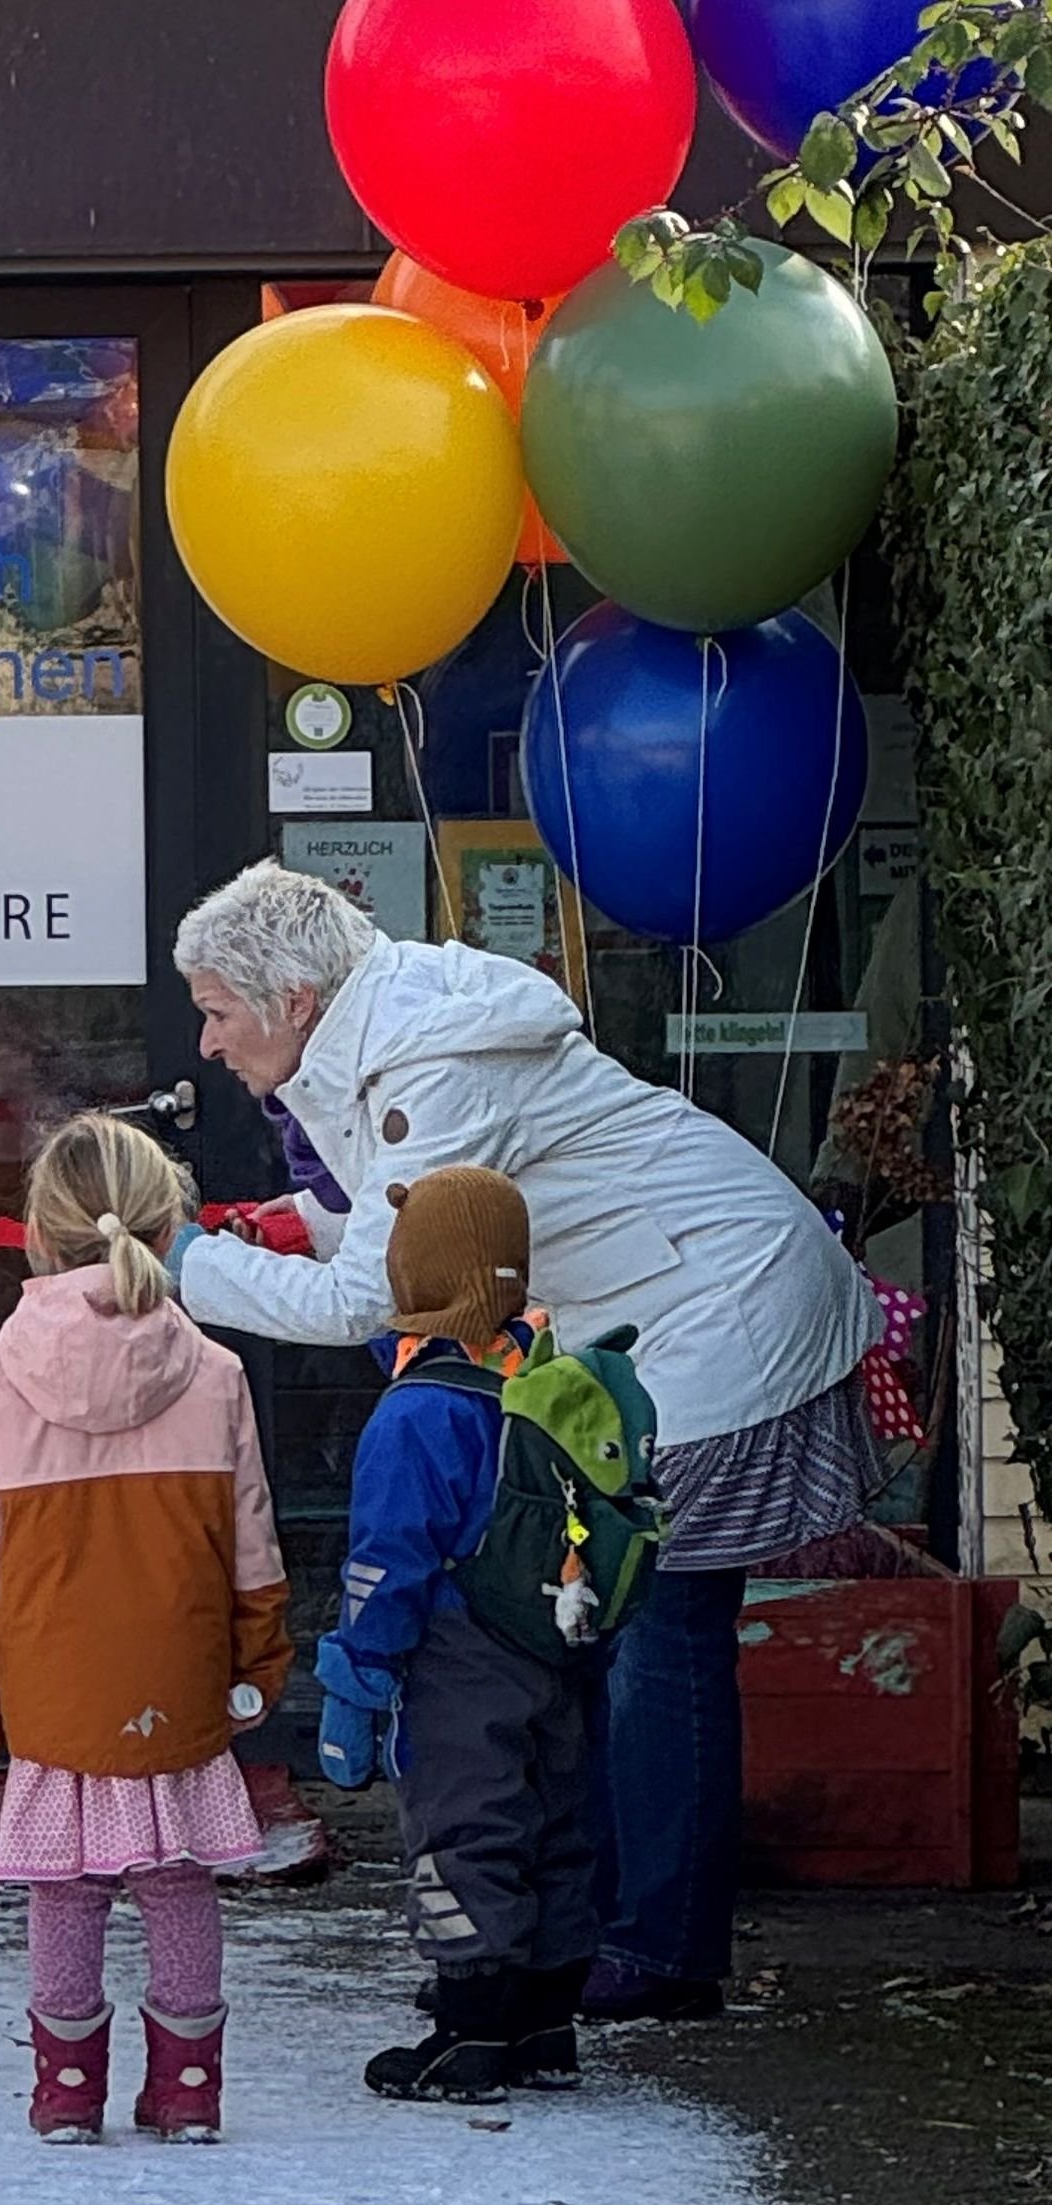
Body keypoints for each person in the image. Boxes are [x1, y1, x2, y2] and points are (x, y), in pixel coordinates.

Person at [169, 862, 874, 2020]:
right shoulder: (399, 1023)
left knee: (660, 1637)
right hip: (681, 1305)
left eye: (216, 1009)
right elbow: (404, 1207)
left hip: (719, 1316)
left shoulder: (422, 1069)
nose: (206, 1042)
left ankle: (661, 1950)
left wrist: (187, 1269)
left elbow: (377, 1294)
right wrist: (283, 1222)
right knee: (617, 1632)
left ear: (293, 999)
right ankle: (610, 1925)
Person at [0, 1113, 288, 2145]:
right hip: (176, 1675)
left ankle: (67, 2091)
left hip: (53, 1687)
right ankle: (189, 2093)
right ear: (167, 1226)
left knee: (65, 1891)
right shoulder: (214, 1373)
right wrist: (259, 1657)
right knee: (180, 1885)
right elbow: (251, 1540)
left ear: (37, 1232)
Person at [311, 1168, 619, 2104]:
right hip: (556, 1645)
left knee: (463, 1829)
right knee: (555, 1822)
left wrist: (357, 1678)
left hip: (456, 1657)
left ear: (417, 1279)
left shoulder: (418, 1412)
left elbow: (387, 1559)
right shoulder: (552, 1383)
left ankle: (469, 2034)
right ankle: (543, 2024)